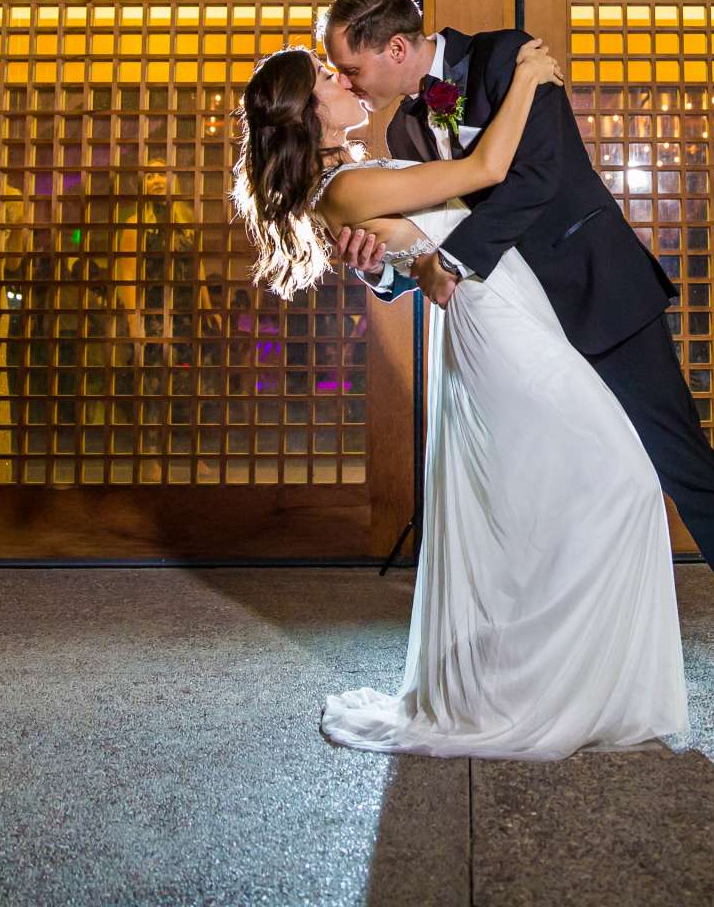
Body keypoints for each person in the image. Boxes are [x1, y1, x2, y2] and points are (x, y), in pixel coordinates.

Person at [318, 0, 714, 742]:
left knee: (686, 471)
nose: (349, 85)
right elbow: (415, 232)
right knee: (542, 490)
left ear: (393, 48)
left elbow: (533, 182)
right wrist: (376, 266)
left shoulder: (512, 59)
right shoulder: (411, 130)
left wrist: (450, 263)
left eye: (350, 69)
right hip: (510, 334)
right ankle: (558, 669)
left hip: (597, 299)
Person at [233, 37, 685, 759]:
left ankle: (549, 682)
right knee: (623, 478)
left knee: (541, 494)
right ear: (305, 112)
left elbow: (434, 231)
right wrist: (530, 80)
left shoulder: (353, 172)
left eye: (338, 67)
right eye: (328, 77)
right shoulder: (341, 190)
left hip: (506, 304)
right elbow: (482, 170)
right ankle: (547, 689)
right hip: (493, 326)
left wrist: (411, 263)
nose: (342, 78)